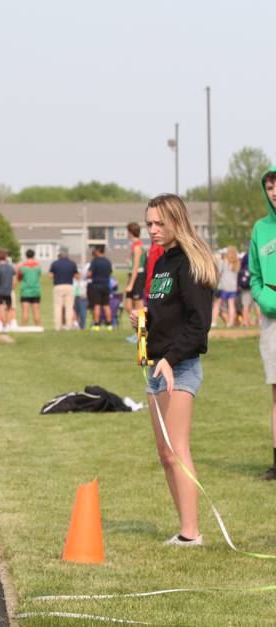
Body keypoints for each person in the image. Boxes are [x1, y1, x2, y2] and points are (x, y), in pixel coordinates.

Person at [130, 193, 217, 545]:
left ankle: (191, 533)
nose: (152, 229)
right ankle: (184, 529)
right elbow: (168, 313)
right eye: (149, 222)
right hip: (157, 367)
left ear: (176, 221)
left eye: (158, 223)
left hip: (179, 368)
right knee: (165, 455)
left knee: (178, 451)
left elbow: (198, 326)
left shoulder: (190, 263)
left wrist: (170, 359)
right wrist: (144, 319)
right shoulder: (163, 262)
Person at [249, 166, 276, 480]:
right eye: (270, 187)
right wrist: (266, 300)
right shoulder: (261, 228)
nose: (274, 192)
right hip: (272, 322)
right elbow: (255, 276)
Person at [49, 247, 78, 331]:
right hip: (69, 286)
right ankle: (68, 326)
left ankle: (57, 326)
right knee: (69, 307)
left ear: (60, 254)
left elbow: (50, 276)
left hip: (58, 286)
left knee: (58, 307)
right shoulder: (72, 263)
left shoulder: (55, 263)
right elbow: (77, 276)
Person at [212, 246, 240, 328]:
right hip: (233, 287)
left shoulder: (223, 262)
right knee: (231, 305)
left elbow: (218, 273)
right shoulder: (237, 263)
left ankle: (213, 322)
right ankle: (230, 323)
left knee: (217, 304)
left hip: (223, 286)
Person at [87, 244, 113, 330]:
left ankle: (96, 325)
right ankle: (109, 325)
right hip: (106, 285)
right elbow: (110, 273)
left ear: (98, 251)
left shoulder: (95, 261)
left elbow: (89, 274)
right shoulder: (108, 261)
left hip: (96, 285)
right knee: (106, 305)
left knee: (97, 305)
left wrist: (91, 276)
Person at [0, 250, 15, 332]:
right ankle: (8, 324)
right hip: (8, 291)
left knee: (0, 308)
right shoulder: (10, 268)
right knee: (9, 309)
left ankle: (3, 324)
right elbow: (14, 281)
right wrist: (11, 288)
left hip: (0, 291)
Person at [18, 249, 42, 327]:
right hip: (35, 291)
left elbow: (19, 278)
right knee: (36, 311)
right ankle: (38, 328)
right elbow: (39, 276)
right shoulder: (38, 267)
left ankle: (25, 328)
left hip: (25, 291)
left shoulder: (23, 267)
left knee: (25, 311)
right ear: (34, 256)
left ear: (26, 256)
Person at [238, 251, 258, 327]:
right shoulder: (258, 254)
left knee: (245, 305)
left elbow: (241, 268)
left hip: (246, 284)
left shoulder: (246, 255)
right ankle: (260, 321)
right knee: (257, 305)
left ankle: (245, 322)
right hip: (255, 283)